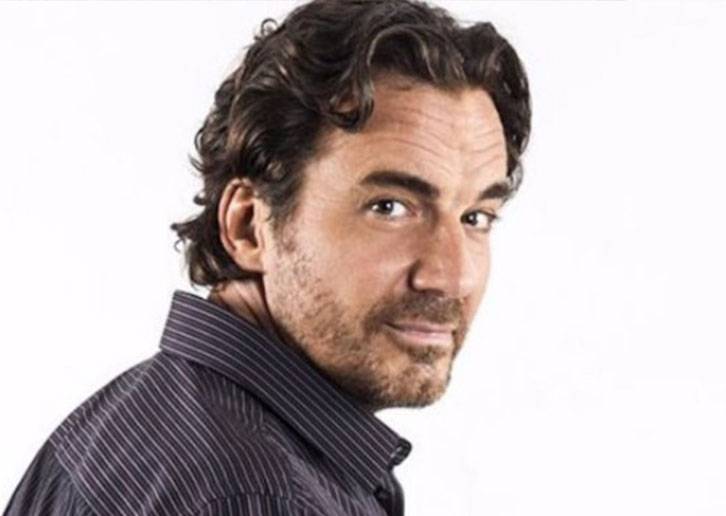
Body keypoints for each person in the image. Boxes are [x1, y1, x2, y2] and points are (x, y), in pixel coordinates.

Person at [3, 0, 530, 514]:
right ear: (249, 226)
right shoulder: (258, 495)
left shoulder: (137, 419)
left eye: (476, 217)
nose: (452, 275)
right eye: (389, 207)